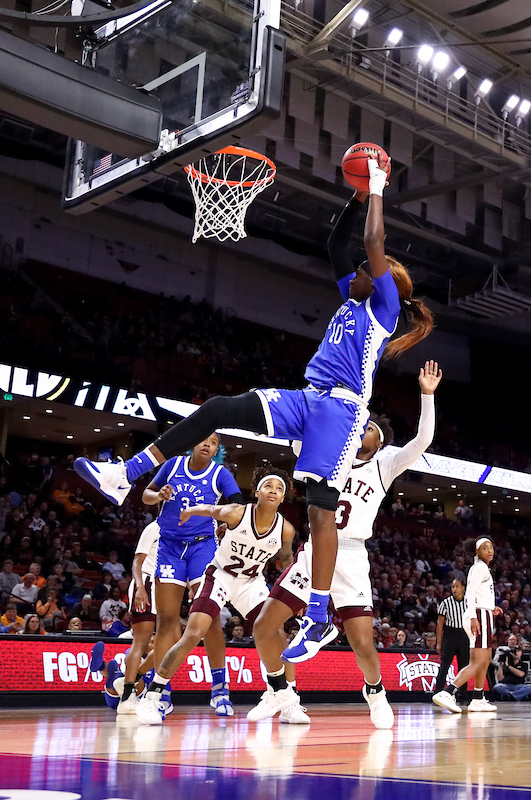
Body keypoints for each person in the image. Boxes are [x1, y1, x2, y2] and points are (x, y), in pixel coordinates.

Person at [73, 166, 434, 666]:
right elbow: (337, 243)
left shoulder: (384, 308)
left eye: (364, 270)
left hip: (342, 409)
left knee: (319, 508)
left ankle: (316, 615)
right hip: (308, 397)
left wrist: (376, 185)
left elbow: (374, 236)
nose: (353, 271)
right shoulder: (351, 298)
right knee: (220, 408)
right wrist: (354, 196)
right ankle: (124, 474)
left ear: (379, 282)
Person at [259, 366, 437, 728]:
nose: (362, 429)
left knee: (363, 645)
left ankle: (375, 691)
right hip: (313, 554)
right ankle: (281, 692)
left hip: (352, 556)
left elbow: (422, 442)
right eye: (362, 424)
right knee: (265, 625)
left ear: (380, 442)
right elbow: (297, 435)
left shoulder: (385, 466)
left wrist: (427, 394)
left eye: (369, 427)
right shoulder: (329, 454)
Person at [136, 468, 297, 726]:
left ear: (283, 497)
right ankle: (152, 696)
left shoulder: (285, 529)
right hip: (219, 576)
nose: (273, 492)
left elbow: (287, 559)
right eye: (268, 487)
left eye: (279, 489)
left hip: (250, 583)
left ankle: (288, 699)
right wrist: (188, 512)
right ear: (256, 492)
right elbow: (210, 509)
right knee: (193, 632)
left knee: (276, 633)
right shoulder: (236, 512)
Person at [140, 433, 238, 717]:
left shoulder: (220, 474)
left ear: (217, 450)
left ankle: (220, 688)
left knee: (210, 619)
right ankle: (162, 691)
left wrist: (222, 521)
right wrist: (158, 495)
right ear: (193, 443)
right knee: (167, 620)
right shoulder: (172, 465)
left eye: (214, 443)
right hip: (169, 548)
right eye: (203, 440)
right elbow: (146, 494)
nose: (207, 445)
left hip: (202, 549)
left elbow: (238, 507)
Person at [432, 538, 500, 713]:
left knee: (485, 659)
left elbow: (478, 594)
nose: (490, 551)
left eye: (491, 547)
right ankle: (447, 692)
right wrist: (472, 616)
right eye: (485, 548)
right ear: (477, 552)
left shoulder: (482, 568)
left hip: (482, 612)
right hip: (478, 614)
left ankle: (478, 697)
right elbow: (469, 593)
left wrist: (491, 607)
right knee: (478, 661)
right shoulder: (480, 568)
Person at [116, 521, 161, 714]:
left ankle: (133, 678)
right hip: (147, 582)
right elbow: (137, 562)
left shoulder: (180, 530)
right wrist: (140, 587)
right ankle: (127, 696)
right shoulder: (153, 528)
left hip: (163, 587)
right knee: (141, 642)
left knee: (170, 640)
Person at [434, 578, 470, 701]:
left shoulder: (469, 602)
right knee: (444, 666)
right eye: (453, 587)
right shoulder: (445, 603)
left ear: (463, 588)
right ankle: (437, 692)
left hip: (464, 635)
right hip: (450, 635)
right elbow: (440, 625)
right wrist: (439, 643)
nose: (454, 589)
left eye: (457, 586)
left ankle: (462, 694)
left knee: (463, 666)